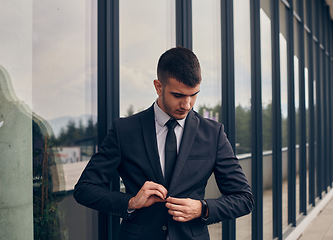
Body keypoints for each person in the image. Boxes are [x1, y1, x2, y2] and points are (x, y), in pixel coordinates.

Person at [74, 46, 254, 240]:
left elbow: (244, 198)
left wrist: (203, 208)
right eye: (178, 95)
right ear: (159, 87)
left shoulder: (213, 133)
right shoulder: (124, 131)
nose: (187, 105)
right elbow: (85, 189)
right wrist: (131, 202)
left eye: (194, 95)